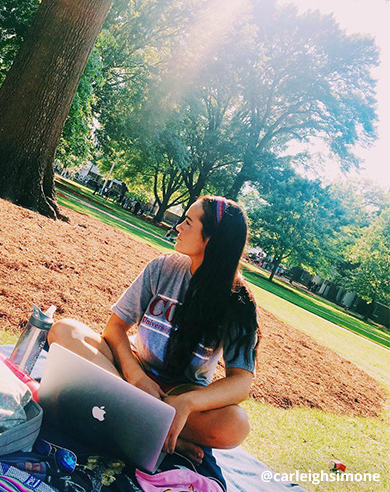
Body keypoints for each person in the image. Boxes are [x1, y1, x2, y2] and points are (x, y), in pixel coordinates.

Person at [48, 196, 260, 464]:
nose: (178, 227)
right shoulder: (162, 268)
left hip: (176, 399)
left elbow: (241, 381)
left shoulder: (238, 301)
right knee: (64, 331)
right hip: (128, 374)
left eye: (188, 222)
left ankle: (130, 414)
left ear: (211, 239)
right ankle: (161, 434)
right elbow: (114, 329)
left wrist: (189, 403)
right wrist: (136, 377)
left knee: (235, 425)